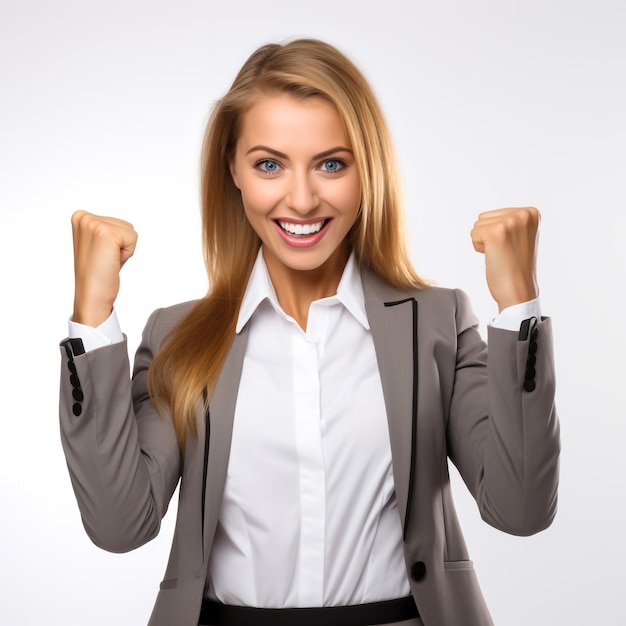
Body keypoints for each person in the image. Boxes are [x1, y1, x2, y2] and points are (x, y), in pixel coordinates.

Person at [59, 38, 560, 626]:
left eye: (331, 163)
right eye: (269, 164)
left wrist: (518, 304)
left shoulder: (437, 322)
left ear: (365, 169)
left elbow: (521, 508)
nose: (301, 199)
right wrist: (92, 312)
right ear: (234, 170)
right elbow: (121, 525)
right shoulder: (180, 337)